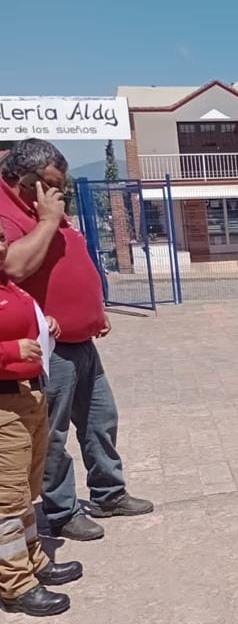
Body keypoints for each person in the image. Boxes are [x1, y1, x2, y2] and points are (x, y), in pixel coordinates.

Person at [0, 140, 153, 541]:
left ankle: (108, 493)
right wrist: (50, 220)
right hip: (49, 349)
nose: (60, 194)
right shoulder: (9, 213)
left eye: (62, 187)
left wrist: (92, 309)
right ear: (25, 180)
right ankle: (62, 510)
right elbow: (14, 266)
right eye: (52, 185)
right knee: (52, 434)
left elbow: (68, 261)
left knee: (101, 420)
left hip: (82, 340)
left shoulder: (46, 207)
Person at [0, 219, 83, 616]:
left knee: (26, 492)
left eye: (0, 237)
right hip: (3, 406)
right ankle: (15, 584)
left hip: (28, 398)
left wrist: (42, 325)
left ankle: (33, 562)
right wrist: (11, 352)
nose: (0, 245)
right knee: (7, 499)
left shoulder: (8, 286)